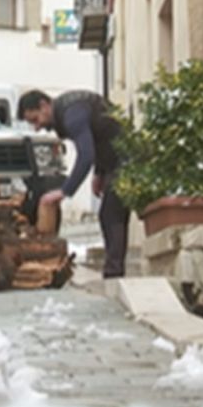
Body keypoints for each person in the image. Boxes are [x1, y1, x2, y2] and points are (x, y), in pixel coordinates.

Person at [18, 89, 127, 278]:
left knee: (112, 214)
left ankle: (114, 274)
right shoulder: (68, 110)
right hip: (113, 161)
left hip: (126, 160)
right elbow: (102, 136)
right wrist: (99, 173)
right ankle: (113, 271)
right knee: (107, 215)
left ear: (44, 106)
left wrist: (64, 191)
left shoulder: (72, 115)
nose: (37, 128)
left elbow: (86, 154)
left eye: (35, 120)